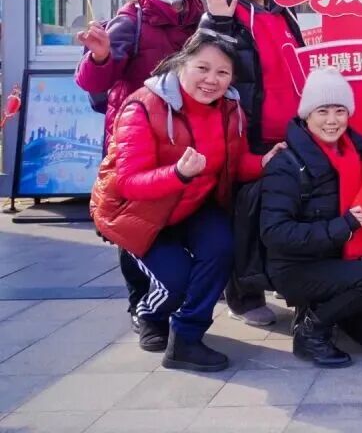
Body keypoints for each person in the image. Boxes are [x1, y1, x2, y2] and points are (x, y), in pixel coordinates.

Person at [88, 32, 281, 371]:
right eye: (202, 68)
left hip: (192, 205)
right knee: (176, 282)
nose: (211, 80)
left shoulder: (231, 108)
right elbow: (128, 183)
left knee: (222, 249)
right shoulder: (142, 106)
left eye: (222, 73)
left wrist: (263, 163)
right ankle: (149, 314)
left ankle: (187, 337)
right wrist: (177, 173)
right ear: (182, 64)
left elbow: (233, 164)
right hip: (137, 213)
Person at [75, 0, 205, 331]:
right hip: (138, 137)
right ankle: (142, 306)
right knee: (134, 221)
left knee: (180, 216)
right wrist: (100, 57)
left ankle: (173, 297)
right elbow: (93, 81)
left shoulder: (202, 18)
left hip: (189, 137)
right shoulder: (129, 21)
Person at [260, 67, 362, 367]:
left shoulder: (358, 153)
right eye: (322, 111)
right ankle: (310, 331)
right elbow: (275, 233)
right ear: (307, 115)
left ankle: (325, 306)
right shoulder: (286, 163)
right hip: (296, 268)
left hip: (340, 262)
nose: (332, 120)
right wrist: (345, 225)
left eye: (340, 110)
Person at [200, 0, 304, 327]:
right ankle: (242, 297)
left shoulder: (282, 9)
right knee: (243, 216)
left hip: (288, 132)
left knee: (277, 213)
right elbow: (203, 64)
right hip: (247, 133)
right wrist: (218, 23)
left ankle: (274, 280)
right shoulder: (223, 12)